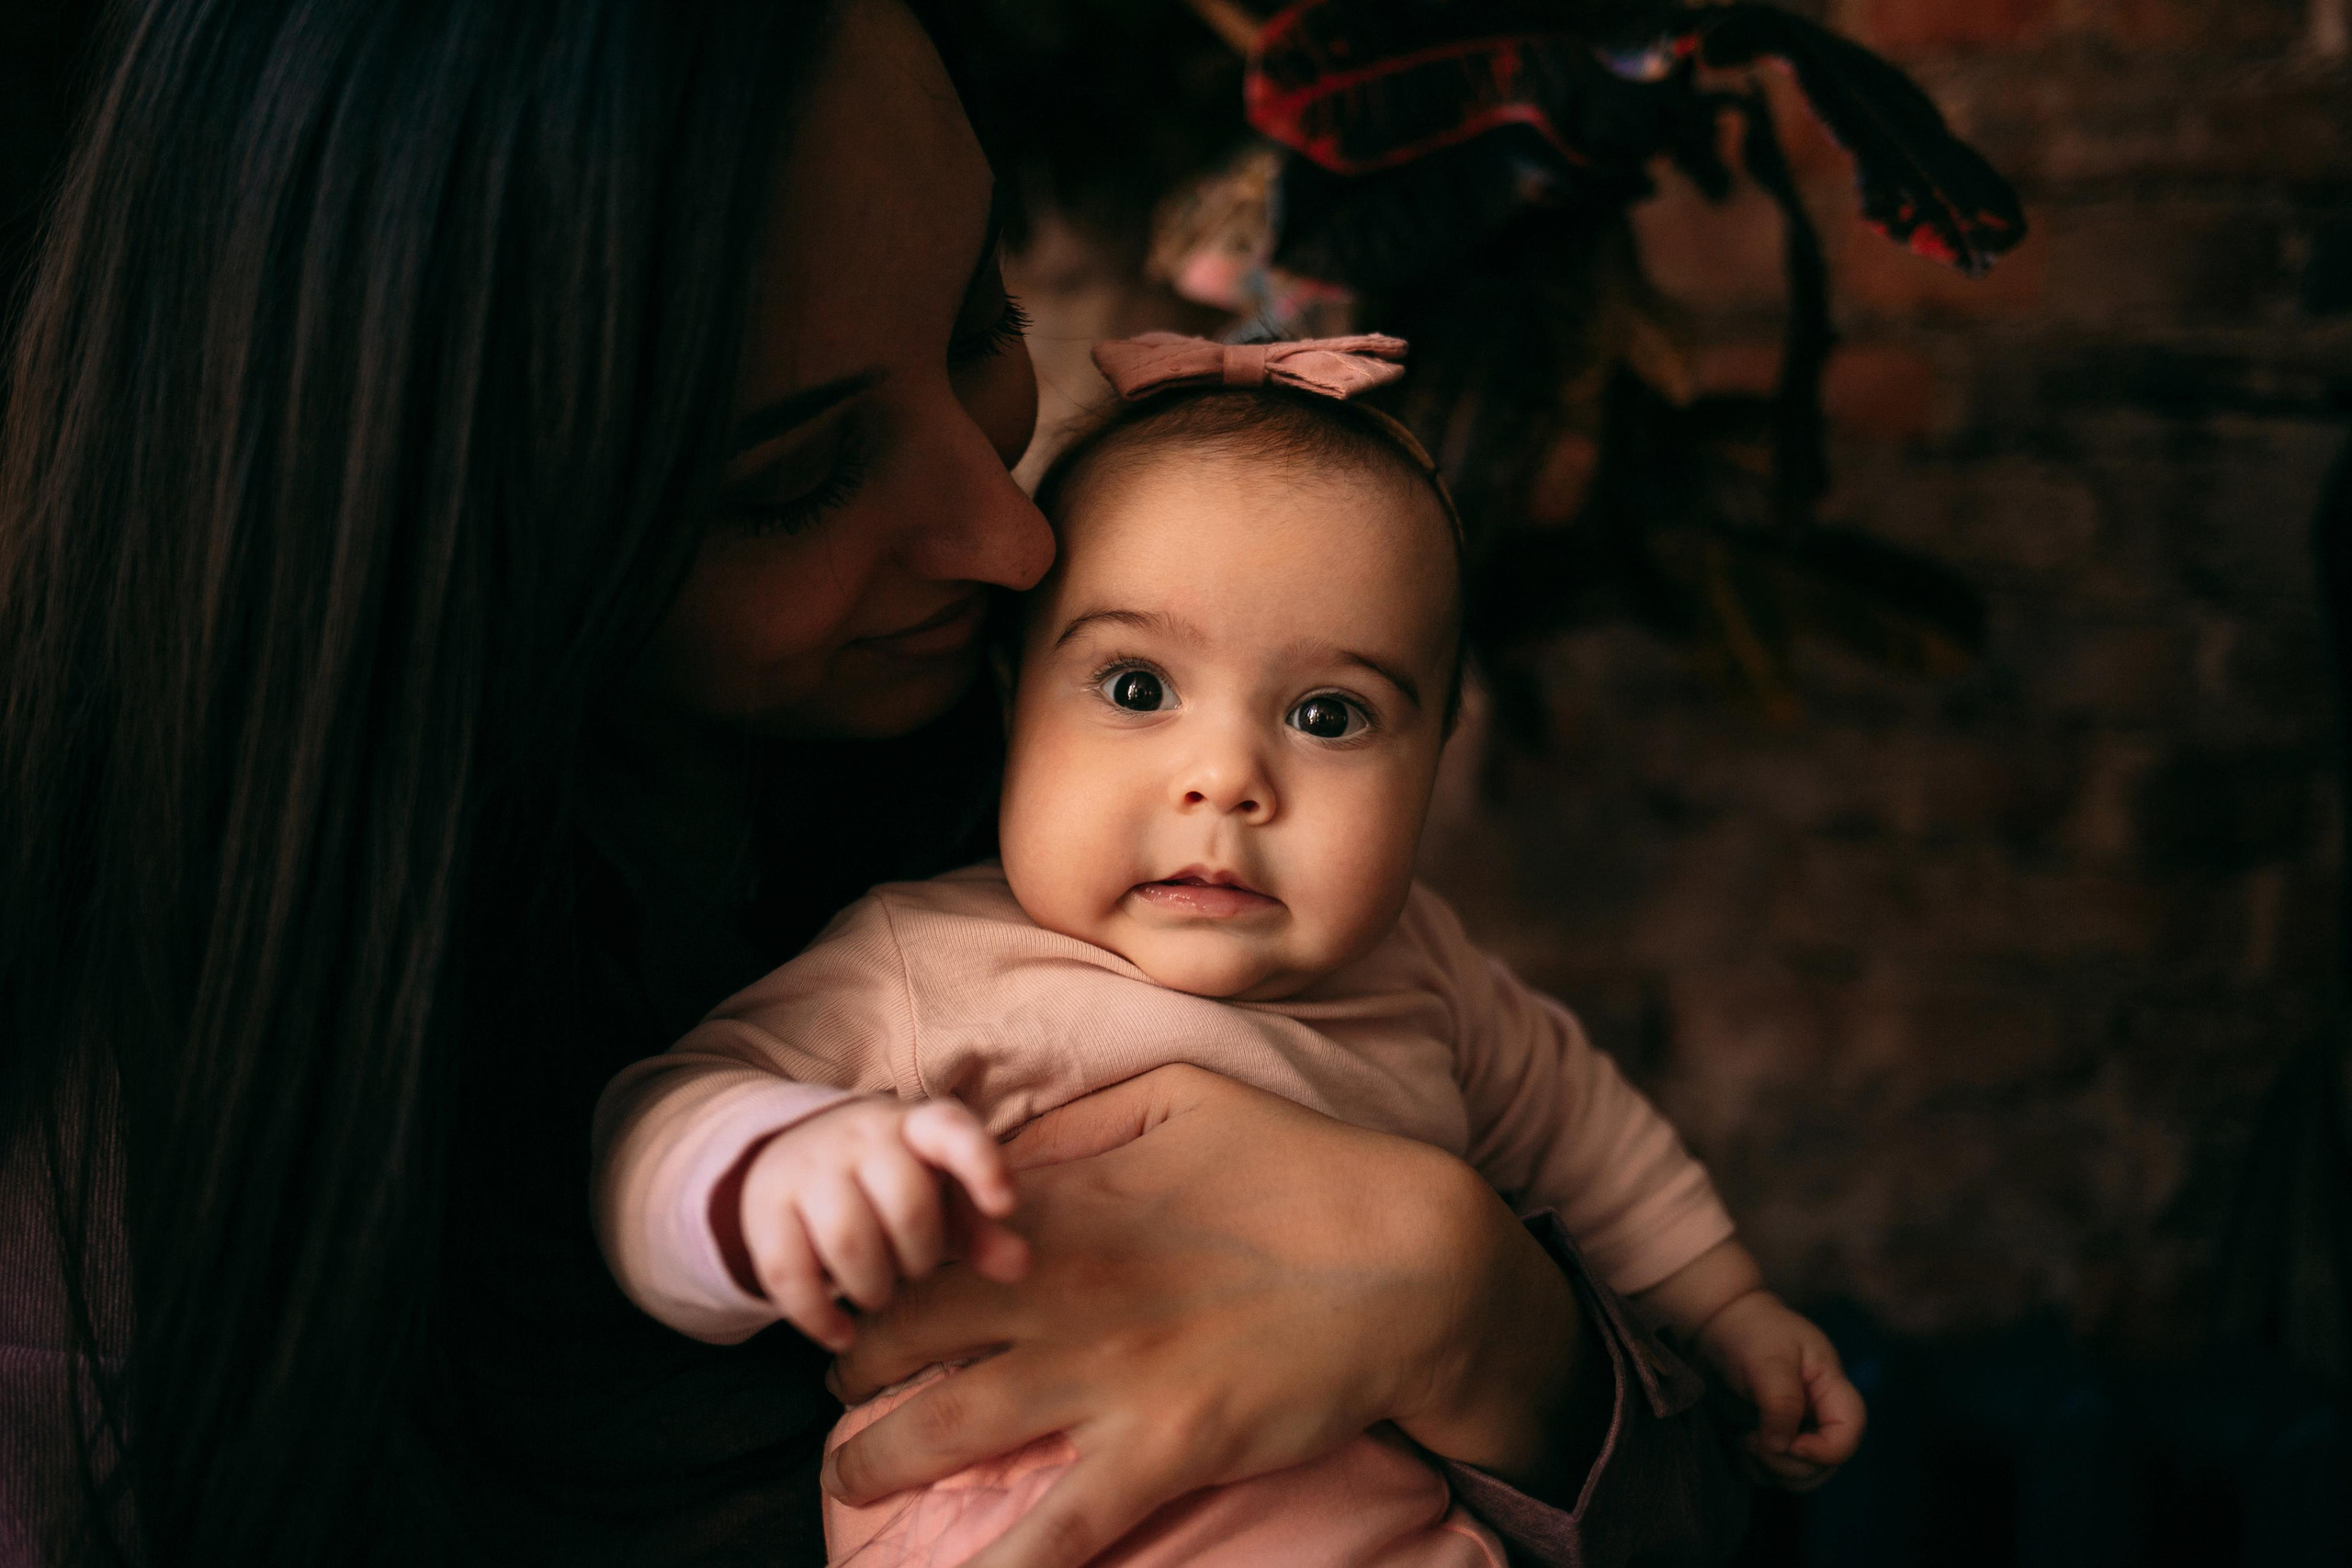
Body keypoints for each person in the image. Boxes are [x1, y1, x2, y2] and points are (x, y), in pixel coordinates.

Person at [0, 2, 1748, 1563]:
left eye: (982, 321)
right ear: (434, 536)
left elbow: (1700, 1454)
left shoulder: (1061, 784)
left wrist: (1479, 1309)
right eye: (795, 475)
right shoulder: (117, 1222)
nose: (1008, 541)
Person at [594, 334, 1866, 1568]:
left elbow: (1597, 1146)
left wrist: (1728, 1310)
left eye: (1329, 714)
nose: (1226, 780)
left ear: (1434, 761)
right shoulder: (928, 968)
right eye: (1137, 689)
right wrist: (771, 1176)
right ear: (1010, 710)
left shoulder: (1427, 971)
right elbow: (653, 1124)